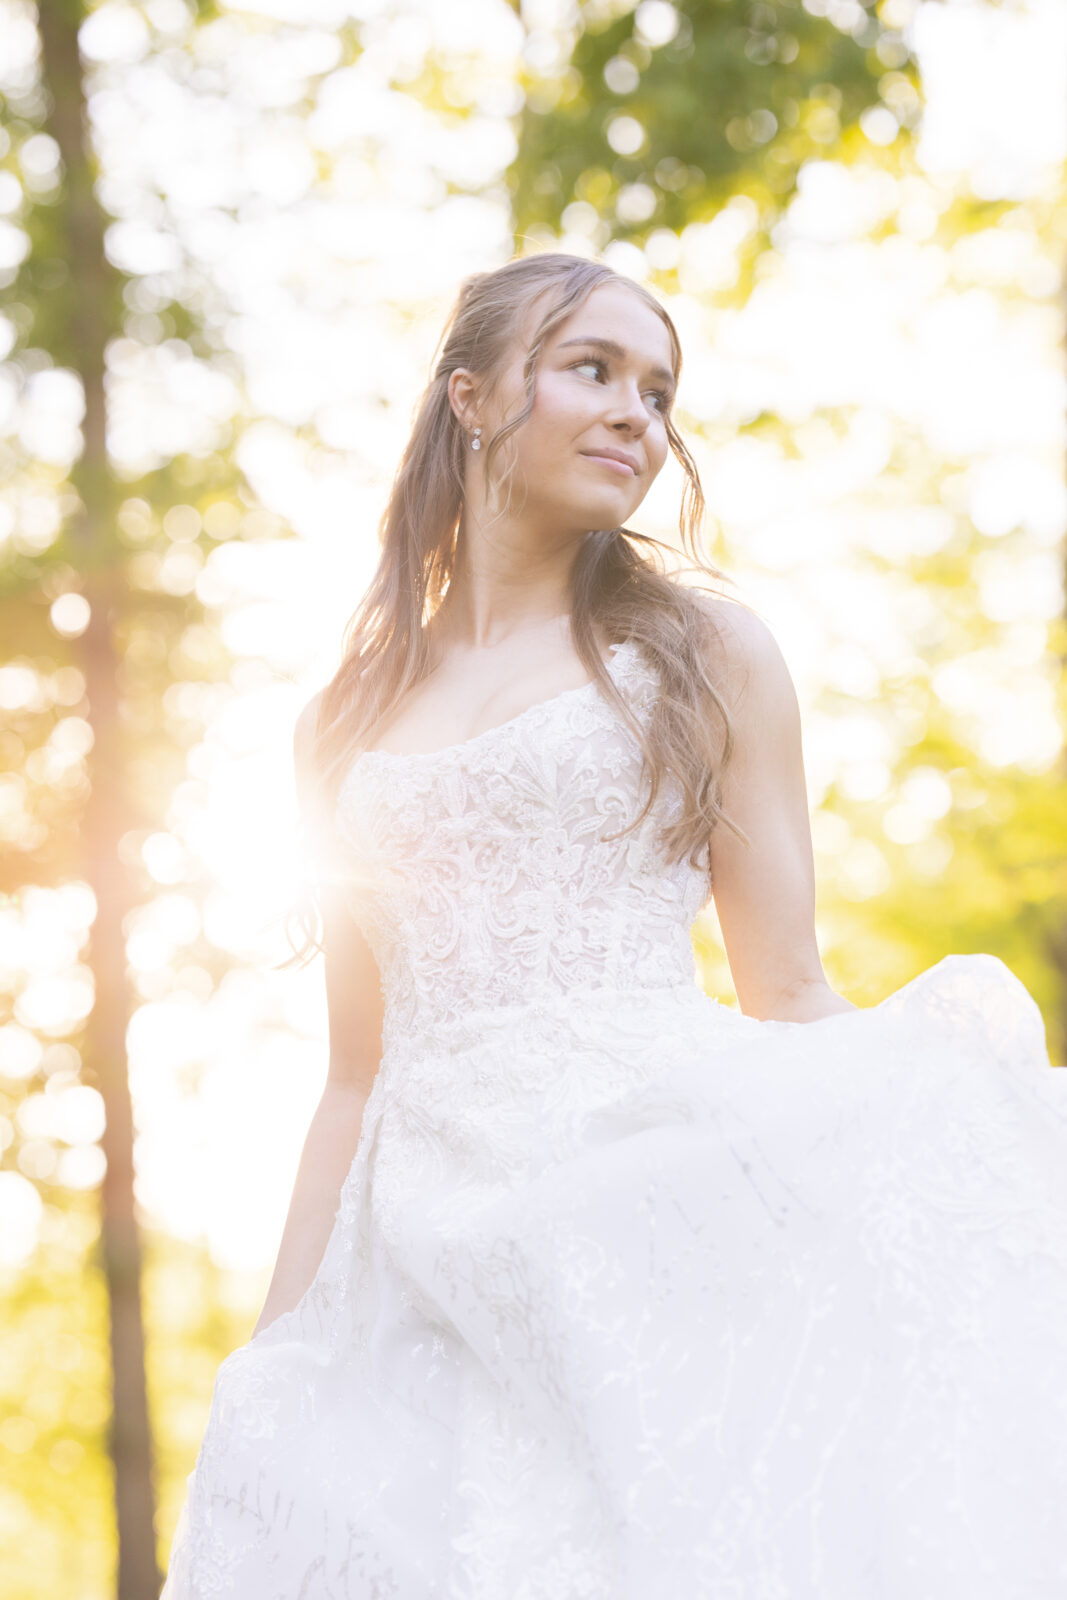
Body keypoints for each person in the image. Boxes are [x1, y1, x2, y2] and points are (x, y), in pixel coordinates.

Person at [161, 252, 1067, 1599]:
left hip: (640, 1195)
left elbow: (790, 989)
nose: (641, 415)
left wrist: (952, 1123)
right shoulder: (335, 725)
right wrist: (276, 1352)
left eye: (660, 391)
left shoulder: (707, 657)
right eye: (593, 369)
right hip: (415, 1247)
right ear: (469, 395)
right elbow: (354, 1071)